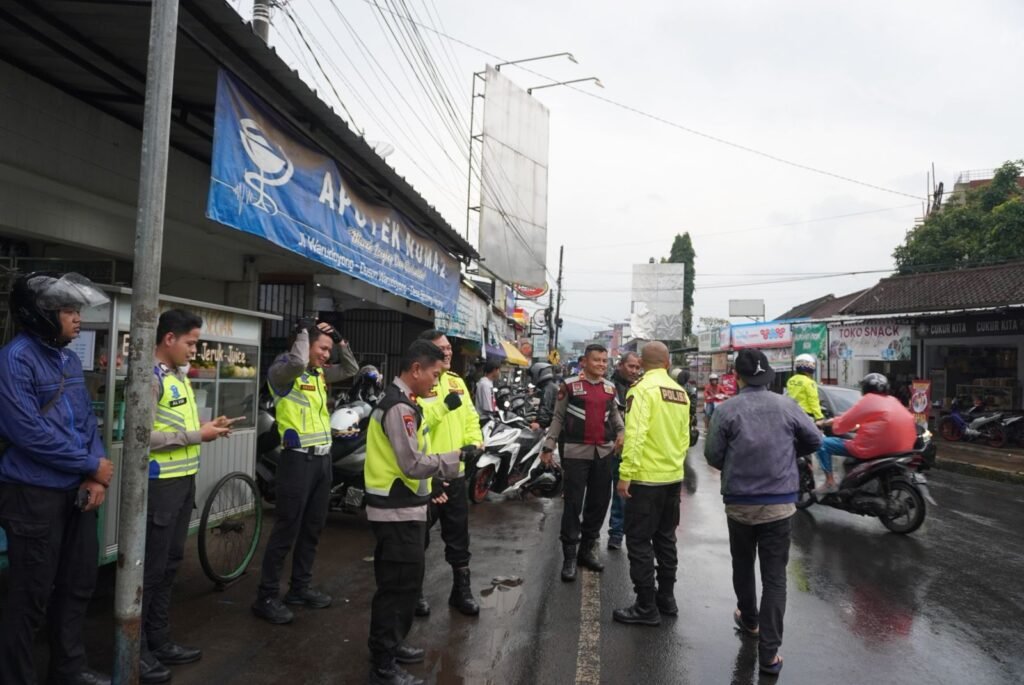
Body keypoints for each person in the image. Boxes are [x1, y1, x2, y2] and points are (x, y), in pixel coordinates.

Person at [0, 272, 114, 685]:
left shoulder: (67, 359)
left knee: (77, 585)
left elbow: (86, 419)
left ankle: (69, 670)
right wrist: (89, 465)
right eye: (68, 311)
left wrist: (97, 474)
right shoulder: (15, 359)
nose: (77, 318)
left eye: (77, 310)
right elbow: (26, 431)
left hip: (76, 491)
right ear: (40, 314)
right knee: (30, 595)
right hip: (33, 494)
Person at [365, 340, 478, 685]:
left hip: (406, 507)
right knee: (398, 588)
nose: (436, 381)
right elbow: (411, 463)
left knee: (403, 585)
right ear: (416, 369)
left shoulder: (408, 403)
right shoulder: (399, 407)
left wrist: (432, 488)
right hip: (396, 512)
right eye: (434, 374)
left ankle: (391, 645)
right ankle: (383, 665)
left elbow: (423, 435)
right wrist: (456, 458)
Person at [704, 349, 822, 676]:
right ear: (767, 376)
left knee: (743, 564)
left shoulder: (726, 411)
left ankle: (750, 620)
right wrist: (788, 452)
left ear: (737, 377)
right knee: (774, 577)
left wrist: (737, 462)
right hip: (779, 504)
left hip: (739, 503)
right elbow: (815, 439)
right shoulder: (787, 406)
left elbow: (712, 455)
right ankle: (769, 656)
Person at [139, 310, 237, 683]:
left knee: (169, 565)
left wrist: (207, 428)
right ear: (169, 339)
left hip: (182, 484)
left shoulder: (176, 377)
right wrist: (198, 435)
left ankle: (159, 639)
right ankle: (137, 650)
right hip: (161, 486)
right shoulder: (150, 379)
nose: (194, 350)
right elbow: (142, 436)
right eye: (191, 343)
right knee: (151, 569)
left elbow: (176, 428)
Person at [252, 317, 358, 625]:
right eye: (322, 348)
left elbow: (351, 368)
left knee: (313, 528)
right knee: (287, 529)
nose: (326, 355)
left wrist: (339, 339)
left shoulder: (318, 373)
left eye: (328, 351)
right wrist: (301, 330)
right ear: (304, 344)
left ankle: (299, 587)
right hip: (297, 461)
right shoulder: (284, 370)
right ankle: (266, 596)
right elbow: (297, 361)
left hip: (322, 462)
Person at [612, 343, 690, 626]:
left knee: (638, 541)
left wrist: (625, 474)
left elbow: (634, 435)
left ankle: (646, 605)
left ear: (643, 364)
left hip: (645, 479)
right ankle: (666, 598)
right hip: (672, 477)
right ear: (667, 363)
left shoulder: (642, 389)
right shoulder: (680, 393)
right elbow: (684, 438)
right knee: (666, 539)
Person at [414, 330, 484, 618]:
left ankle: (461, 590)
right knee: (418, 537)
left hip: (456, 473)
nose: (448, 352)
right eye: (441, 348)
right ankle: (414, 592)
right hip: (426, 475)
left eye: (448, 347)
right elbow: (417, 430)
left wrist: (475, 442)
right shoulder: (418, 386)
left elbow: (470, 418)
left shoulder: (456, 382)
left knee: (458, 537)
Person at [541, 344, 624, 582]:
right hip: (576, 453)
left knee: (599, 504)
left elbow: (615, 414)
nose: (601, 364)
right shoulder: (569, 386)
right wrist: (549, 446)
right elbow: (558, 417)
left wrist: (621, 432)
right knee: (573, 505)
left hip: (604, 453)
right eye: (596, 360)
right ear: (584, 362)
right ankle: (569, 556)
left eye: (604, 361)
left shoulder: (610, 388)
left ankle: (586, 551)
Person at [814, 373, 917, 497]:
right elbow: (881, 423)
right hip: (903, 449)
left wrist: (826, 423)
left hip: (875, 448)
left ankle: (830, 482)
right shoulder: (893, 400)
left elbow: (843, 423)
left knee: (822, 443)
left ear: (865, 388)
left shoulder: (868, 400)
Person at [607, 352, 642, 550]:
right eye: (631, 366)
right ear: (620, 365)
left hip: (632, 447)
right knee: (603, 493)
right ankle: (611, 533)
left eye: (637, 367)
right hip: (609, 446)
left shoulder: (641, 388)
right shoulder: (609, 387)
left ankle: (620, 532)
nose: (634, 371)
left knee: (626, 492)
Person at [785, 354, 831, 491]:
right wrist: (819, 418)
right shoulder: (810, 383)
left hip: (790, 416)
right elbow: (813, 401)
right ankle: (817, 478)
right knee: (816, 444)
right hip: (806, 418)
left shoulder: (791, 380)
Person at [529, 361, 559, 431]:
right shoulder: (550, 386)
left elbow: (545, 407)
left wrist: (539, 423)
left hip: (553, 426)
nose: (532, 378)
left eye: (532, 375)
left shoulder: (548, 388)